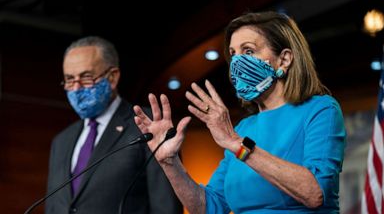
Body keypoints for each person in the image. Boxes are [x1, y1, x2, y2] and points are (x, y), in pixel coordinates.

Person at [133, 11, 346, 213]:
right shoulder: (245, 128)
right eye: (233, 54)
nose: (236, 62)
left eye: (249, 51)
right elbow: (208, 208)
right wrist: (169, 162)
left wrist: (238, 144)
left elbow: (315, 193)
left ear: (284, 59)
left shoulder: (320, 109)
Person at [45, 36, 183, 214]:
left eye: (86, 77)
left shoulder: (148, 125)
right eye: (70, 80)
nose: (76, 88)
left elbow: (166, 207)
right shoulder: (61, 141)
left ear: (112, 77)